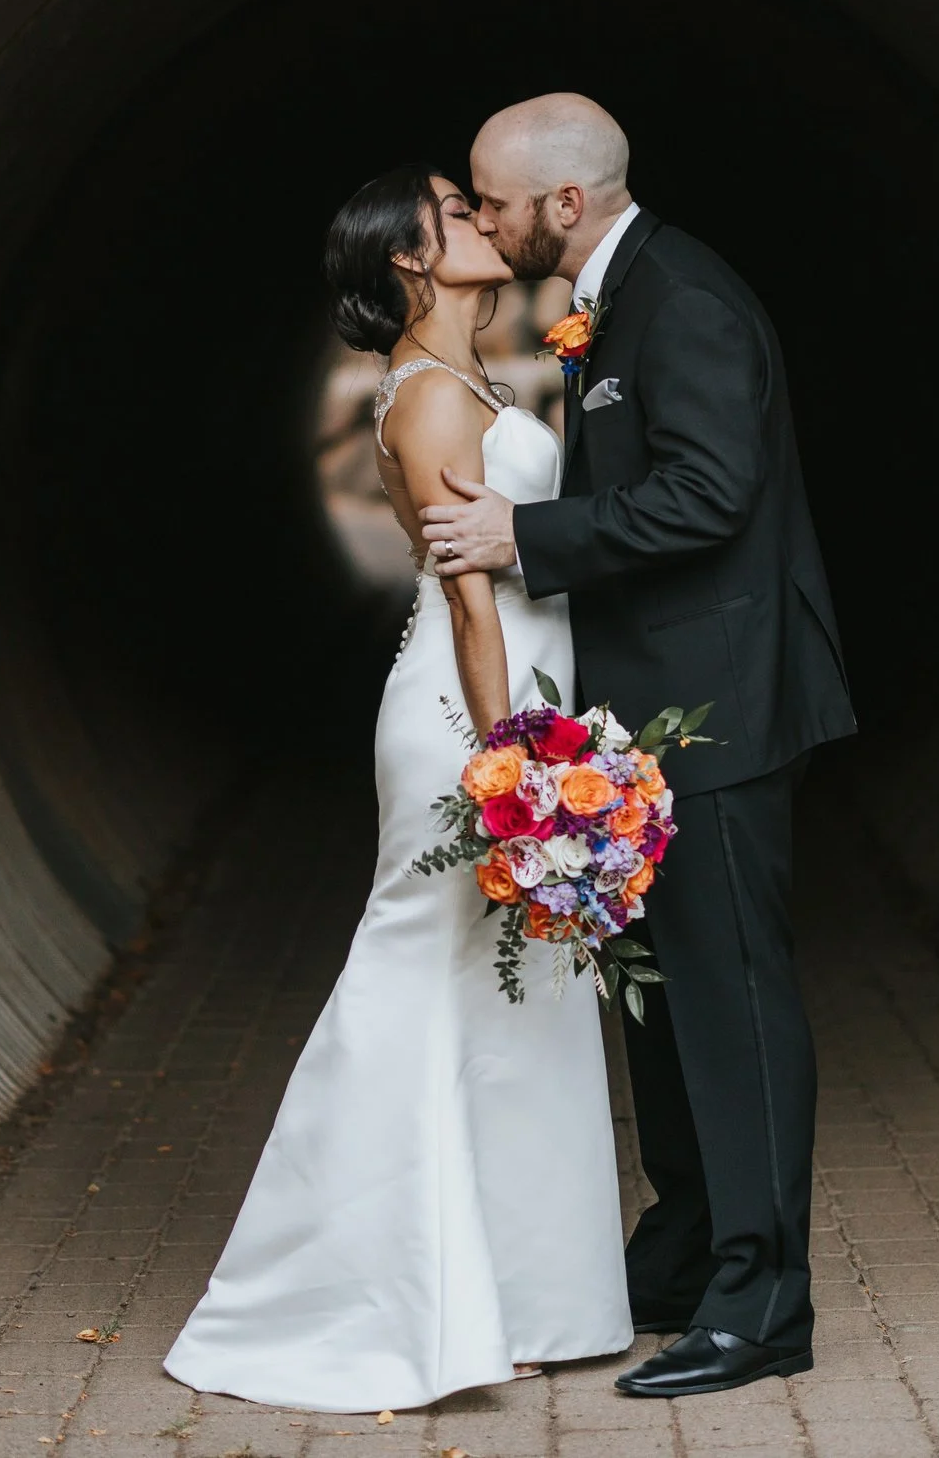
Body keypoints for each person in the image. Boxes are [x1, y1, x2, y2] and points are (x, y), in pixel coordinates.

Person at [163, 170, 631, 1412]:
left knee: (514, 995)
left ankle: (522, 1293)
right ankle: (344, 1291)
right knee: (418, 971)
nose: (483, 218)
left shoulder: (471, 381)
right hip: (464, 719)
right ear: (414, 264)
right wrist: (520, 769)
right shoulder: (424, 401)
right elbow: (473, 604)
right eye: (456, 213)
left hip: (526, 712)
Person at [420, 94, 858, 1398]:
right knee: (663, 1003)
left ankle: (765, 1296)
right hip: (650, 716)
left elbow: (713, 493)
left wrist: (524, 540)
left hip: (719, 705)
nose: (486, 221)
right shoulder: (616, 300)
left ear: (564, 202)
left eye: (495, 199)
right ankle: (683, 1247)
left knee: (731, 1000)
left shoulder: (686, 300)